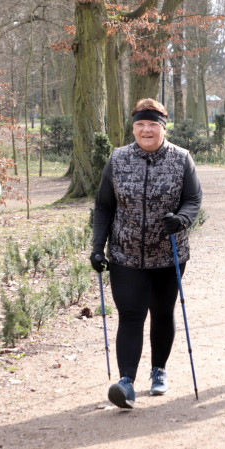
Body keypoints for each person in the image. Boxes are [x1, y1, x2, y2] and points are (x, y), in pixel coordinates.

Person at [91, 98, 202, 409]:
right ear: (133, 127)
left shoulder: (181, 159)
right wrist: (97, 247)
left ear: (163, 127)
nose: (146, 130)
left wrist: (181, 220)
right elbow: (103, 206)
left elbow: (193, 200)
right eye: (140, 124)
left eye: (153, 124)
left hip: (169, 255)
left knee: (163, 313)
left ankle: (159, 370)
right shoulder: (118, 159)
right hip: (125, 255)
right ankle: (126, 382)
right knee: (130, 316)